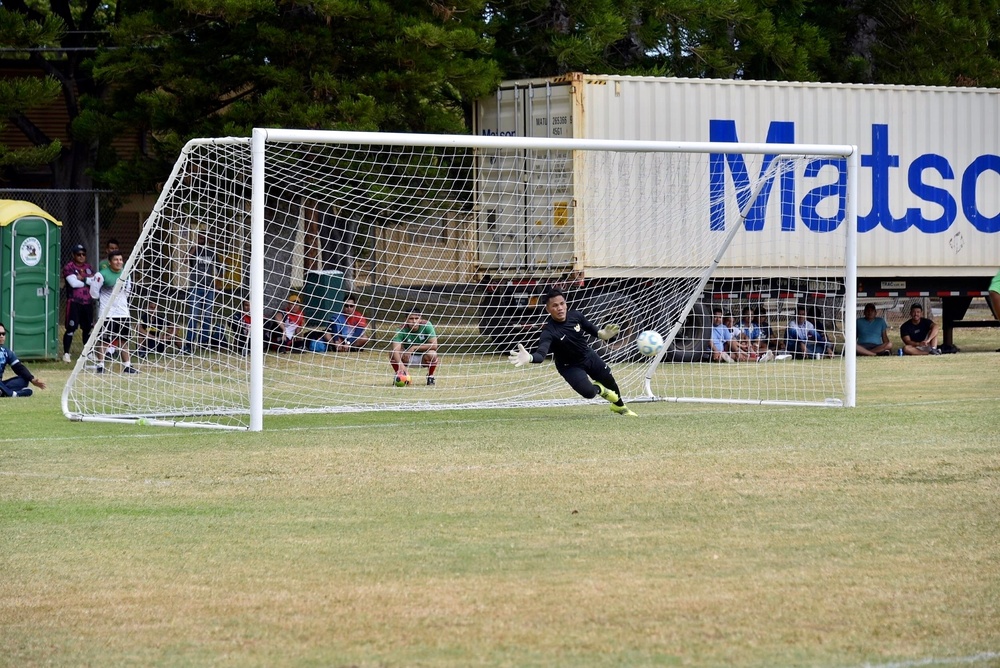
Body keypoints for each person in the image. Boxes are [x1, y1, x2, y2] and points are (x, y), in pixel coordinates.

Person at [508, 287, 636, 416]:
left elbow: (593, 330)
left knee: (609, 380)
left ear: (566, 304)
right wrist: (529, 357)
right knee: (589, 393)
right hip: (569, 367)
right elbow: (541, 355)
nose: (560, 308)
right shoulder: (549, 332)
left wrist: (604, 334)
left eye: (562, 304)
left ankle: (620, 407)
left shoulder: (576, 316)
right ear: (548, 309)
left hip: (588, 355)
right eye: (555, 306)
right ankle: (601, 390)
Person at [90, 250, 138, 373]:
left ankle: (127, 366)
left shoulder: (126, 274)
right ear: (110, 262)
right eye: (116, 260)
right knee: (104, 341)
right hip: (107, 314)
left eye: (121, 260)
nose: (119, 262)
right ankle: (101, 366)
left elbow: (127, 291)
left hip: (123, 313)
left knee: (123, 341)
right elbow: (94, 293)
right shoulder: (101, 275)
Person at [61, 243, 97, 363]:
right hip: (74, 302)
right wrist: (88, 281)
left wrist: (84, 279)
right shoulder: (69, 267)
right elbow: (74, 283)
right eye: (78, 254)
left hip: (87, 302)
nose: (81, 256)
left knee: (87, 329)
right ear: (73, 255)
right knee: (71, 328)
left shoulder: (89, 267)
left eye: (83, 254)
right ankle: (66, 353)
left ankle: (88, 353)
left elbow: (95, 282)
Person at [184, 231, 218, 352]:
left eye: (204, 237)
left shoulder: (211, 251)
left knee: (207, 316)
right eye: (200, 237)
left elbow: (219, 268)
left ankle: (203, 342)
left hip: (209, 288)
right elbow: (185, 261)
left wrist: (216, 283)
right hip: (195, 287)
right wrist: (194, 248)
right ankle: (189, 343)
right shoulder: (193, 249)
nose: (202, 239)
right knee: (194, 315)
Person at [390, 306, 440, 385]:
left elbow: (434, 345)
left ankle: (430, 376)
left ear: (420, 318)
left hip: (423, 357)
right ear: (406, 320)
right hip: (407, 357)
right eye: (411, 318)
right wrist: (401, 365)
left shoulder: (427, 325)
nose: (414, 321)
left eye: (416, 318)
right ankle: (399, 375)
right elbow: (395, 350)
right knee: (392, 354)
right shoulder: (401, 329)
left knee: (433, 354)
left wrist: (413, 348)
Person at [0, 323, 47, 397]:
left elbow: (19, 367)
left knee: (24, 379)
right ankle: (12, 394)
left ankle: (2, 392)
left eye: (3, 334)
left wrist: (32, 380)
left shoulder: (6, 352)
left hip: (1, 385)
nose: (1, 336)